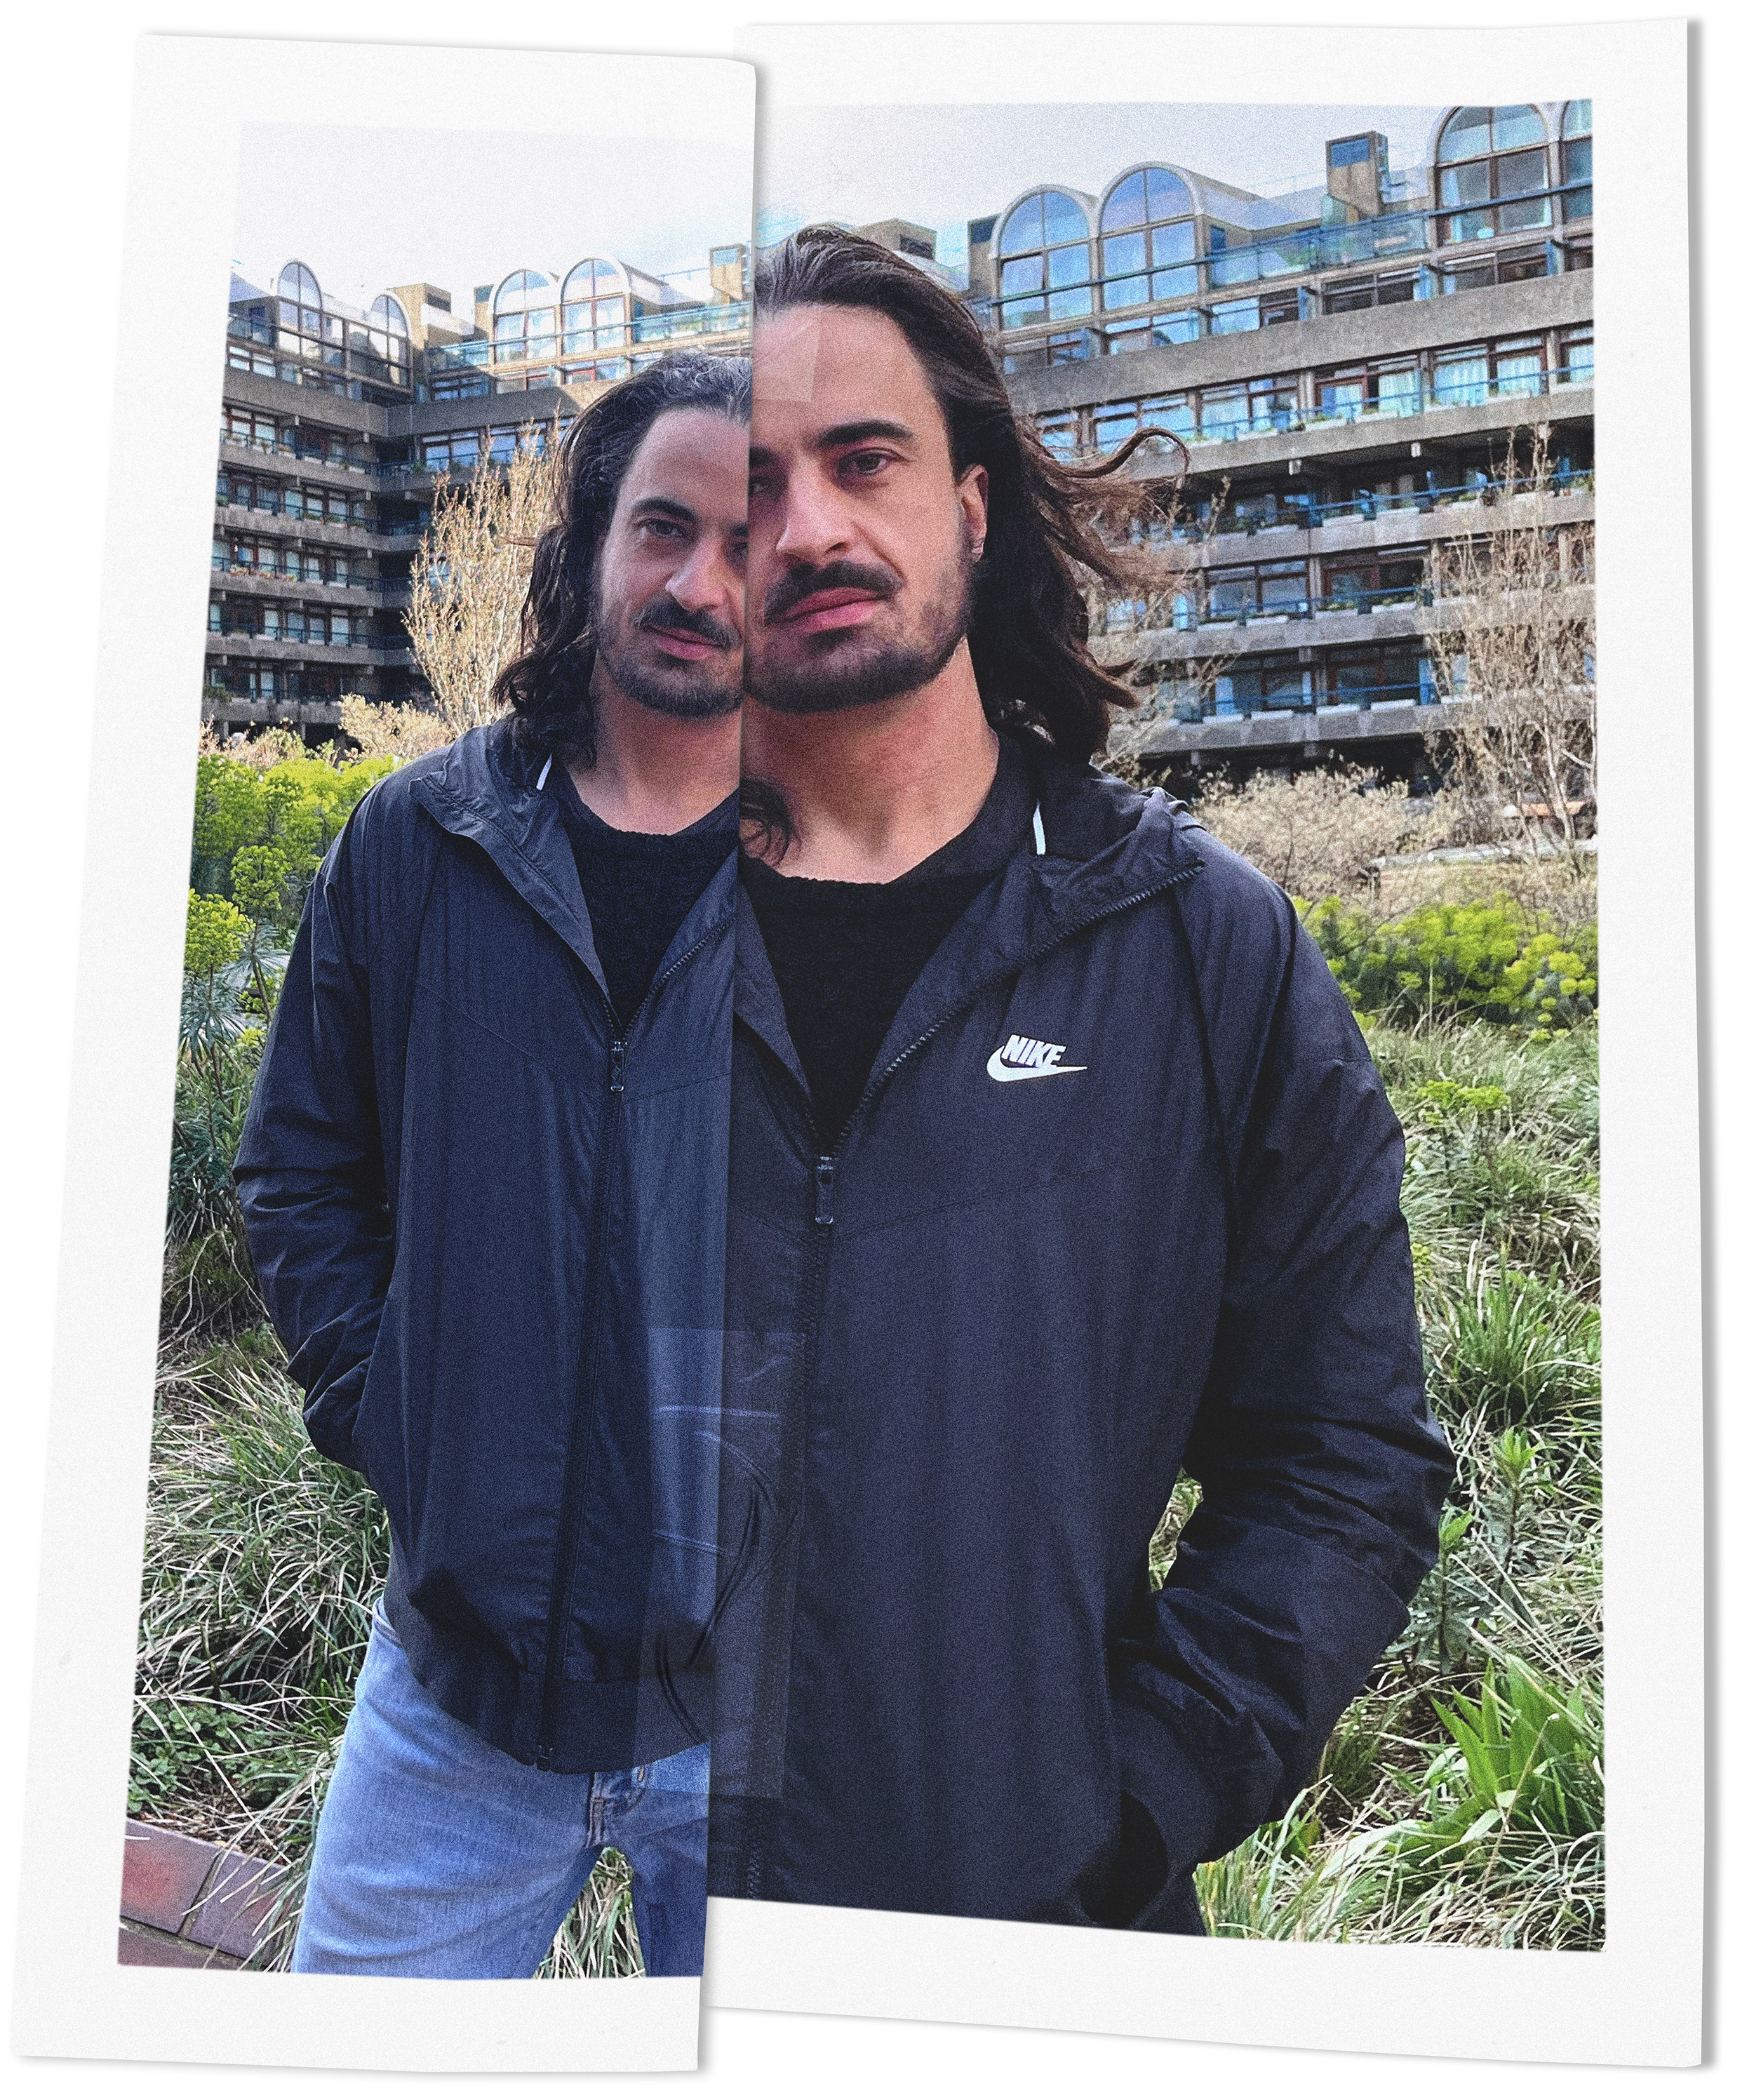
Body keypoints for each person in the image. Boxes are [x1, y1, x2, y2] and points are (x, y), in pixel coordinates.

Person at [707, 231, 1454, 1934]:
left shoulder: (1198, 945)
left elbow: (1340, 1448)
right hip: (634, 1922)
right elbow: (352, 1195)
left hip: (1038, 1921)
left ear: (968, 505)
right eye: (751, 486)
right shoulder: (611, 933)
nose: (809, 525)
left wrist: (1134, 1797)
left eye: (863, 458)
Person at [234, 352, 750, 1977]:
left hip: (775, 1726)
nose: (695, 580)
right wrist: (398, 1417)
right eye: (662, 525)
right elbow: (298, 1170)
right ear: (592, 542)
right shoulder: (419, 840)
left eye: (747, 541)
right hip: (454, 1693)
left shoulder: (867, 884)